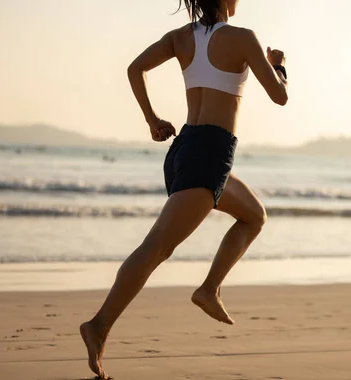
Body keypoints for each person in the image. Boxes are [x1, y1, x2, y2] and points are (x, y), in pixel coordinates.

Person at [80, 0, 288, 377]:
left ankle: (209, 290)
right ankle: (99, 326)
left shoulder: (180, 37)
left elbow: (135, 69)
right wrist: (278, 66)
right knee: (156, 247)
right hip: (209, 153)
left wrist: (152, 120)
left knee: (253, 216)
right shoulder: (244, 39)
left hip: (185, 150)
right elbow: (280, 95)